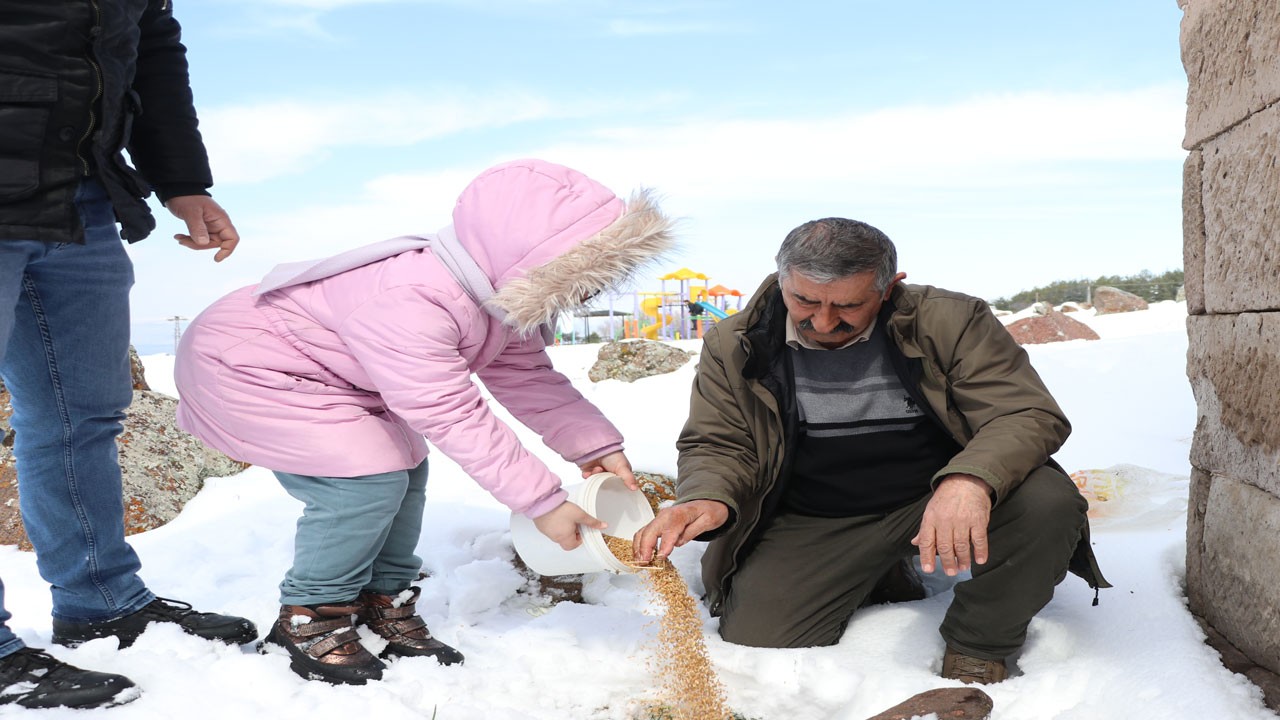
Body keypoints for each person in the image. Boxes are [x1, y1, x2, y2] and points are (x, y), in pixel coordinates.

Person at [173, 158, 676, 685]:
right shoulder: (411, 299)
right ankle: (311, 615)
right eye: (581, 278)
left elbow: (528, 377)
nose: (590, 294)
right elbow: (448, 409)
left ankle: (381, 597)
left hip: (333, 374)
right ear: (533, 262)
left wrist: (592, 445)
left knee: (404, 469)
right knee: (362, 484)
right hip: (247, 369)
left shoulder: (500, 297)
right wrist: (542, 502)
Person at [633, 217, 1108, 685]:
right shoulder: (734, 342)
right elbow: (720, 440)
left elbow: (1025, 413)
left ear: (888, 288)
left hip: (932, 499)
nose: (822, 321)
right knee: (761, 636)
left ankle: (980, 643)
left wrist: (970, 479)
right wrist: (707, 497)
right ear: (782, 280)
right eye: (803, 299)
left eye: (847, 305)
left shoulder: (953, 320)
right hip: (817, 515)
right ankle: (881, 573)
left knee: (1047, 501)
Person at [0, 0, 257, 710]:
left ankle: (100, 603)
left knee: (82, 412)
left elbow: (151, 47)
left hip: (81, 189)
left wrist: (182, 181)